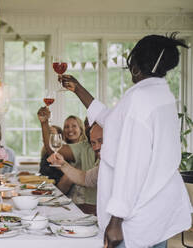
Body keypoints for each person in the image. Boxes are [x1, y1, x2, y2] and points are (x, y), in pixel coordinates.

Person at [60, 33, 191, 248]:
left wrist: (115, 221)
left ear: (136, 66)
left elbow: (132, 165)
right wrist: (78, 89)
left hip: (137, 214)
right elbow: (112, 120)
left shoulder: (138, 100)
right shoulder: (163, 96)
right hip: (160, 207)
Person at [37, 108, 97, 208]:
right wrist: (44, 123)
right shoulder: (83, 146)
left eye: (74, 126)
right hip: (80, 203)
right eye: (87, 123)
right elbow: (52, 150)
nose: (89, 127)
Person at [48, 123, 103, 189]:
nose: (96, 147)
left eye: (101, 141)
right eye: (93, 143)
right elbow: (85, 178)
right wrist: (63, 165)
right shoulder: (102, 166)